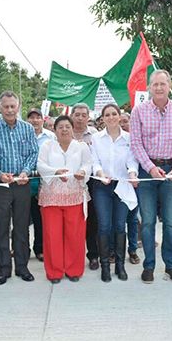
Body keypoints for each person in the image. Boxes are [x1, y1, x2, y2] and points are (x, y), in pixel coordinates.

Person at [130, 69, 172, 284]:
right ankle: (149, 266)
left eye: (162, 84)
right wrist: (149, 167)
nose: (158, 88)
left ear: (170, 86)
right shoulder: (138, 111)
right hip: (148, 172)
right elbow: (136, 144)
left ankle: (171, 265)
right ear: (149, 87)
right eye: (154, 84)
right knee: (147, 222)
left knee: (169, 222)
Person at [0, 91, 39, 285]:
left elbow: (33, 152)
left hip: (22, 183)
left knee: (22, 227)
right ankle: (3, 269)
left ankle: (22, 267)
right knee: (1, 227)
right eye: (6, 106)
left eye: (12, 106)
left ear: (18, 107)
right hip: (0, 184)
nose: (9, 110)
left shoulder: (27, 128)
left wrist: (25, 172)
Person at [37, 115, 92, 283]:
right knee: (52, 235)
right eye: (60, 127)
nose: (64, 129)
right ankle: (54, 272)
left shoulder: (81, 147)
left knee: (75, 235)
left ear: (72, 128)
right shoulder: (47, 145)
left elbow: (87, 164)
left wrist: (83, 172)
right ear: (55, 130)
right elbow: (40, 165)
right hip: (51, 197)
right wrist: (55, 172)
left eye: (67, 126)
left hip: (75, 196)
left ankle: (74, 270)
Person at [90, 104, 138, 282]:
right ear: (102, 118)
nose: (111, 117)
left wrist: (133, 174)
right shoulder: (96, 138)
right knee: (104, 225)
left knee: (120, 225)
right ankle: (105, 266)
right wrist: (101, 175)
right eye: (107, 115)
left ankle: (120, 265)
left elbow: (133, 162)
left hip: (122, 186)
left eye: (114, 114)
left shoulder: (129, 138)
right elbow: (95, 162)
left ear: (119, 116)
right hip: (102, 186)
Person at [71, 103, 100, 270]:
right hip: (69, 182)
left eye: (84, 115)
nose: (80, 118)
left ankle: (93, 255)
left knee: (91, 220)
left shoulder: (95, 135)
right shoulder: (65, 131)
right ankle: (74, 256)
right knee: (73, 221)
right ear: (72, 115)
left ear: (88, 117)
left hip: (91, 182)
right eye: (77, 114)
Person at [27, 107, 56, 261]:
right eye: (31, 117)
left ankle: (39, 248)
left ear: (42, 119)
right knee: (22, 218)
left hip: (44, 181)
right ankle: (21, 249)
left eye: (37, 117)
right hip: (25, 180)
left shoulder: (51, 137)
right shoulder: (23, 134)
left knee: (40, 218)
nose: (34, 120)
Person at [119, 112, 140, 264]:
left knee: (132, 219)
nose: (122, 124)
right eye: (119, 122)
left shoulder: (135, 139)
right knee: (118, 221)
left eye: (125, 121)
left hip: (134, 183)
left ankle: (132, 250)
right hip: (117, 184)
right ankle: (115, 250)